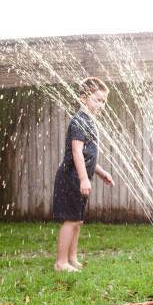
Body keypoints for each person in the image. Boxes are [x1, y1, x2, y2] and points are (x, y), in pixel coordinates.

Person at [53, 77, 115, 272]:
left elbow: (88, 155)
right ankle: (61, 262)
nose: (101, 104)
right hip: (70, 177)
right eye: (97, 99)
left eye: (104, 101)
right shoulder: (80, 121)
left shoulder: (89, 121)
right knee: (70, 220)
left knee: (77, 221)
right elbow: (77, 152)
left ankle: (72, 258)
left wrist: (100, 171)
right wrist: (83, 178)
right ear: (83, 98)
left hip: (79, 177)